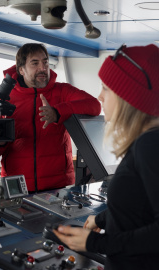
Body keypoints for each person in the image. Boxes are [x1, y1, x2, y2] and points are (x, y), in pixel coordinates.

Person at [53, 44, 159, 269]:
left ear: (127, 97)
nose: (100, 96)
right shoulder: (147, 141)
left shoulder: (149, 145)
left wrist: (97, 243)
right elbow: (140, 208)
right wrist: (100, 220)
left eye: (106, 88)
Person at [0, 43, 101, 192]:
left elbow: (94, 106)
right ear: (21, 70)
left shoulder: (62, 91)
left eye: (45, 62)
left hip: (58, 185)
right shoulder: (5, 99)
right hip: (17, 188)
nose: (43, 68)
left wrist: (58, 112)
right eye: (35, 63)